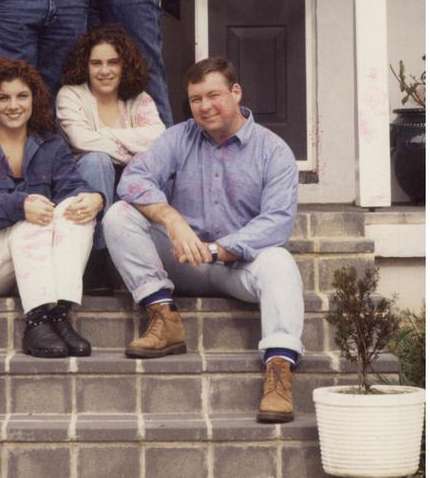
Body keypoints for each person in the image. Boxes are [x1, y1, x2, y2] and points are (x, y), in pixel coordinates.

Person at [103, 57, 304, 424]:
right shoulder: (178, 137)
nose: (205, 106)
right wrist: (172, 219)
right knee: (120, 214)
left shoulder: (273, 151)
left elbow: (276, 222)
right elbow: (132, 180)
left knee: (280, 262)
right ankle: (164, 318)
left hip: (239, 266)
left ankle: (278, 373)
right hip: (184, 260)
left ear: (236, 92)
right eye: (196, 99)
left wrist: (218, 250)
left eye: (214, 95)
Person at [0, 58, 104, 358]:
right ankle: (35, 322)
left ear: (34, 99)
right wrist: (21, 205)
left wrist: (95, 198)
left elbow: (72, 186)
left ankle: (58, 314)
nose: (13, 105)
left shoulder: (50, 145)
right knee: (29, 216)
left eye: (22, 96)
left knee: (76, 209)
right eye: (3, 97)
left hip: (31, 259)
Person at [56, 24, 165, 288]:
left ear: (124, 65)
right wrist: (132, 145)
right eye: (96, 63)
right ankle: (99, 258)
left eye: (113, 62)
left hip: (128, 182)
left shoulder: (138, 99)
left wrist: (105, 136)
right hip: (85, 185)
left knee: (141, 168)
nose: (105, 71)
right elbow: (80, 140)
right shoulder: (71, 95)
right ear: (86, 66)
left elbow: (159, 139)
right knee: (97, 160)